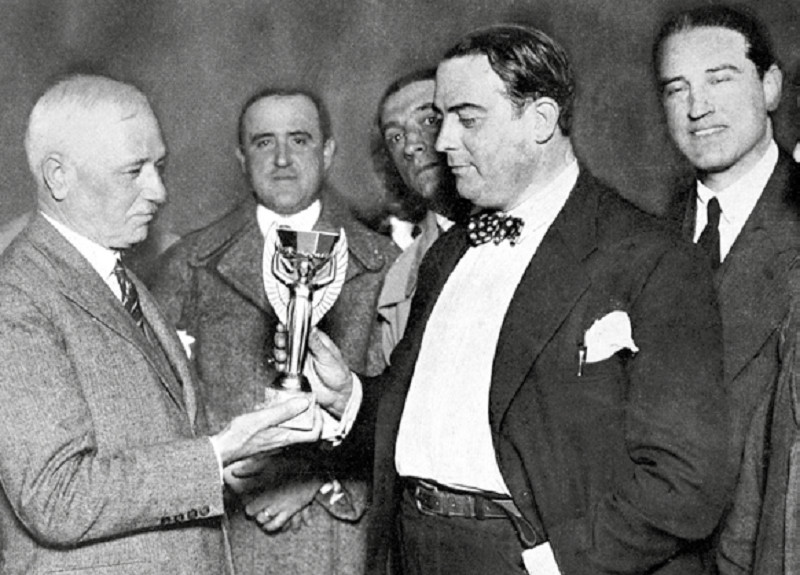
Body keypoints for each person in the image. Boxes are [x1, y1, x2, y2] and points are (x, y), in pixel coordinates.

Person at [286, 24, 732, 575]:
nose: (442, 142)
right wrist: (350, 396)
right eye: (442, 118)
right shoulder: (448, 254)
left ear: (540, 120)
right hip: (416, 545)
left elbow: (688, 480)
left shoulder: (650, 258)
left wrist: (553, 564)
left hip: (537, 558)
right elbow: (434, 416)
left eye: (467, 119)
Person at [0, 74, 321, 575]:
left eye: (159, 167)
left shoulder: (115, 276)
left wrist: (233, 463)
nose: (158, 191)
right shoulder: (18, 296)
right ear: (58, 177)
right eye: (134, 171)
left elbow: (150, 437)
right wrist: (213, 456)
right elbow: (56, 498)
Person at [149, 87, 399, 574]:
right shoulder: (186, 266)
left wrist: (318, 477)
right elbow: (160, 408)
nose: (282, 159)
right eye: (264, 142)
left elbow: (399, 413)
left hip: (339, 540)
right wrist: (230, 472)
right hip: (227, 536)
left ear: (327, 152)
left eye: (299, 140)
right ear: (241, 157)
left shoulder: (384, 264)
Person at [655, 5, 800, 465]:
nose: (698, 108)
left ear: (770, 86)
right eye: (677, 89)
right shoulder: (645, 236)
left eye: (719, 80)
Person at [373, 68, 470, 363]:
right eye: (395, 137)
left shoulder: (528, 231)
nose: (410, 145)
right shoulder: (399, 281)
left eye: (429, 121)